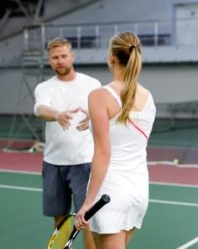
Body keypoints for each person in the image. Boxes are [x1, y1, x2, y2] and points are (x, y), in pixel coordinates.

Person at [76, 31, 156, 249]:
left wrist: (87, 202)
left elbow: (104, 152)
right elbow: (126, 131)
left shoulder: (99, 95)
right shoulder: (148, 97)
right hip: (139, 192)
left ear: (111, 57)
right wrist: (93, 121)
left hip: (109, 194)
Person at [34, 37, 101, 249]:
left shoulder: (92, 84)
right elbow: (40, 109)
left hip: (84, 163)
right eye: (55, 57)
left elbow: (104, 113)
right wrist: (58, 114)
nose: (60, 60)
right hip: (54, 163)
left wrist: (93, 119)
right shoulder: (44, 88)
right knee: (60, 221)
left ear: (72, 56)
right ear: (49, 60)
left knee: (87, 221)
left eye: (63, 56)